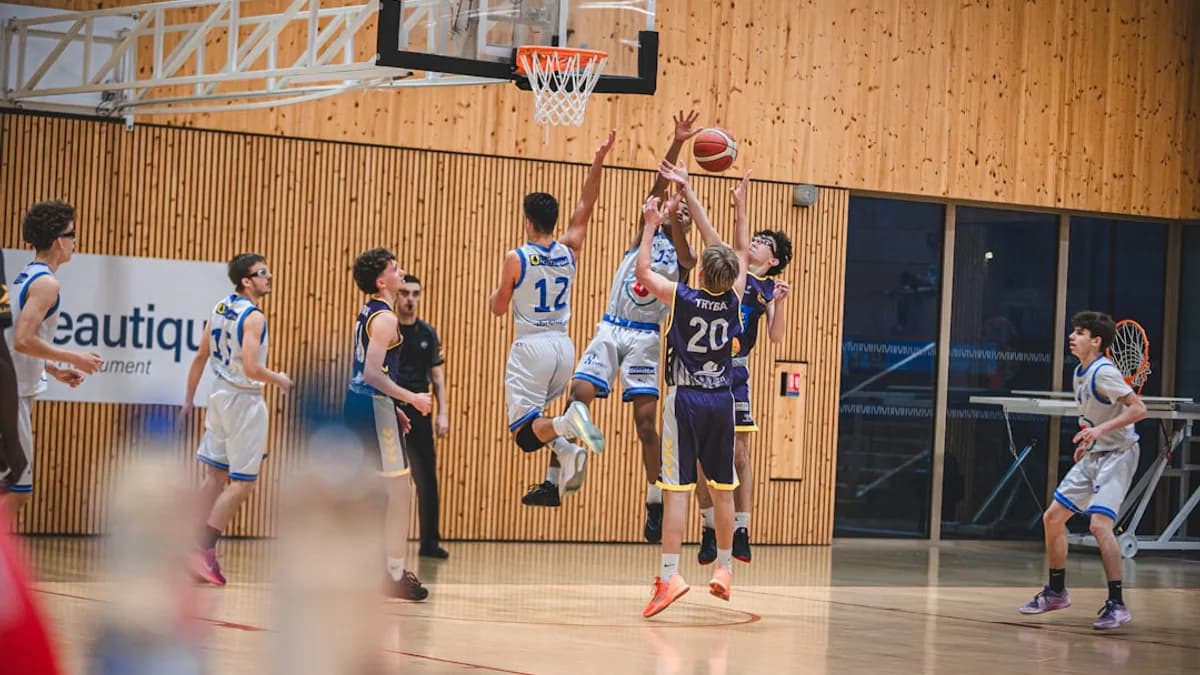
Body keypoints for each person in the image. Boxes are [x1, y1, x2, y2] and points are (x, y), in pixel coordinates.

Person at [522, 113, 700, 547]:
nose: (670, 208)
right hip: (610, 328)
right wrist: (676, 146)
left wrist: (677, 213)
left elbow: (686, 256)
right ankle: (553, 479)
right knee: (577, 398)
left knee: (644, 423)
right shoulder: (643, 232)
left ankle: (654, 502)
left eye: (680, 212)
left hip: (645, 338)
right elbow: (657, 188)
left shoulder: (683, 252)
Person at [637, 164, 750, 618]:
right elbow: (733, 247)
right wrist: (720, 202)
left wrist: (651, 226)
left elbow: (644, 270)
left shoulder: (682, 296)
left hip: (685, 400)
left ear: (700, 269)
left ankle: (670, 576)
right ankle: (723, 568)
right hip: (722, 398)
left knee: (677, 490)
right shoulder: (737, 295)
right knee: (723, 488)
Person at [488, 130, 615, 498]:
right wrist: (599, 161)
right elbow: (585, 207)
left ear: (527, 220)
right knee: (537, 424)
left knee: (523, 435)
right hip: (563, 347)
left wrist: (496, 295)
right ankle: (569, 448)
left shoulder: (517, 257)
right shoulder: (569, 249)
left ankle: (569, 423)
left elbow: (499, 308)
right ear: (555, 220)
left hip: (531, 348)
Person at [1018, 310, 1146, 630]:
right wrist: (1089, 436)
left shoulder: (1104, 372)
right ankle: (1056, 592)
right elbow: (1096, 416)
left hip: (1118, 454)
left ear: (1096, 340)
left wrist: (1100, 433)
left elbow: (1138, 409)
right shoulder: (1080, 372)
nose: (1072, 337)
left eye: (1079, 332)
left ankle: (1117, 604)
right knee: (1052, 518)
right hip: (1094, 453)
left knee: (1099, 526)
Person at [184, 253, 293, 585]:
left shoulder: (220, 308)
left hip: (217, 395)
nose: (269, 276)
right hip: (243, 400)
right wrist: (281, 379)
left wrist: (188, 400)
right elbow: (251, 368)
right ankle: (203, 551)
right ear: (247, 281)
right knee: (242, 484)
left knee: (214, 475)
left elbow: (201, 355)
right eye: (263, 272)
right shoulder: (254, 317)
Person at [694, 219, 793, 564]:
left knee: (739, 453)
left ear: (775, 259)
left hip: (736, 373)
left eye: (765, 241)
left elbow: (777, 337)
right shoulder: (731, 267)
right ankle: (708, 527)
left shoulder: (766, 288)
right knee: (699, 456)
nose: (756, 241)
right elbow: (712, 232)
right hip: (704, 371)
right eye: (756, 236)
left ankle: (741, 529)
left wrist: (780, 304)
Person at [2, 200, 103, 514]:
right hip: (11, 395)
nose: (75, 241)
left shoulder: (25, 276)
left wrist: (54, 370)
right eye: (73, 234)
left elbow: (12, 340)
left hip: (13, 389)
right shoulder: (46, 283)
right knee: (16, 491)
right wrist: (74, 358)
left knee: (11, 488)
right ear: (60, 241)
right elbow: (22, 340)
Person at [345, 248, 433, 600]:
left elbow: (365, 372)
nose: (402, 272)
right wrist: (411, 398)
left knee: (370, 492)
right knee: (399, 493)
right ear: (382, 281)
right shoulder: (386, 319)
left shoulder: (368, 313)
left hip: (363, 406)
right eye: (395, 269)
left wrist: (393, 406)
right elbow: (370, 374)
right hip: (372, 409)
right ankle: (392, 575)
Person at [393, 274, 450, 559]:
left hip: (420, 410)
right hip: (390, 409)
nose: (410, 299)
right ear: (396, 295)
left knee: (426, 477)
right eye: (405, 293)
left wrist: (443, 414)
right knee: (387, 478)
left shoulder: (427, 333)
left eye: (415, 293)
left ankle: (429, 543)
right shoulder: (386, 330)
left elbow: (437, 378)